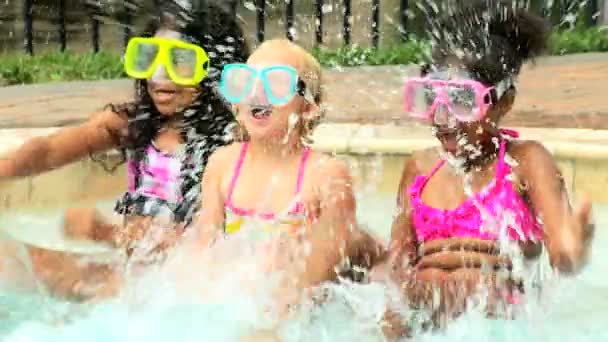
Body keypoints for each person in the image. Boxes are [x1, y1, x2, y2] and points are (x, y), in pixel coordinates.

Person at [0, 1, 249, 299]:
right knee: (18, 260)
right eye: (149, 58)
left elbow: (199, 242)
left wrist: (104, 233)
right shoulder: (131, 124)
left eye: (180, 61)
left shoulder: (228, 145)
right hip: (132, 270)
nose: (159, 75)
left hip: (178, 285)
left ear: (215, 70)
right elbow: (48, 152)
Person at [374, 0, 595, 336]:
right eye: (431, 96)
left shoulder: (525, 163)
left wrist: (574, 248)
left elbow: (564, 255)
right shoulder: (420, 167)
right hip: (423, 319)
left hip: (492, 323)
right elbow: (397, 260)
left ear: (503, 103)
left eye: (463, 101)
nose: (443, 116)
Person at [194, 38, 384, 318]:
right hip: (248, 299)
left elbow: (318, 273)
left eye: (278, 84)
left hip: (306, 307)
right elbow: (203, 253)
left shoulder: (325, 175)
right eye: (246, 81)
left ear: (308, 107)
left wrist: (277, 322)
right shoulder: (222, 165)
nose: (258, 93)